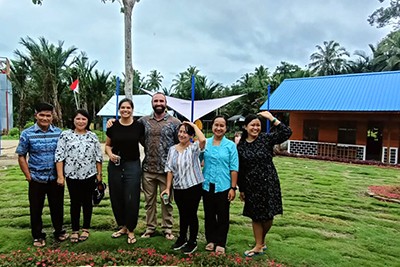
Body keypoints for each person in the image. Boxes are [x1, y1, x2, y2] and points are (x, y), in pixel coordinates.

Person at [237, 111, 292, 257]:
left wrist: (271, 118)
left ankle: (261, 241)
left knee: (268, 216)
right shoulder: (241, 146)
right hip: (251, 185)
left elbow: (287, 132)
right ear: (245, 127)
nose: (255, 128)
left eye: (258, 125)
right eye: (252, 125)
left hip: (269, 182)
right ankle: (258, 245)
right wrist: (241, 189)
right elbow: (240, 169)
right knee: (255, 216)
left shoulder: (265, 139)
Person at [15, 102, 69, 247]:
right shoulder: (27, 133)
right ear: (36, 116)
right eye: (42, 115)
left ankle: (59, 231)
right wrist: (28, 176)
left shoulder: (59, 133)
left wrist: (61, 175)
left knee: (57, 207)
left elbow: (63, 155)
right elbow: (21, 155)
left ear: (52, 117)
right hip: (36, 178)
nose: (45, 118)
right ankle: (38, 236)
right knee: (36, 208)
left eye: (48, 115)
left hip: (55, 178)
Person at [55, 109, 103, 243]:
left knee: (88, 202)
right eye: (78, 119)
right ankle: (75, 230)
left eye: (84, 119)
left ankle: (86, 229)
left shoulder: (92, 136)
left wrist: (99, 175)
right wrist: (60, 176)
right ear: (73, 120)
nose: (81, 121)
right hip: (72, 175)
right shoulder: (65, 136)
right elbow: (59, 156)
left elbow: (98, 157)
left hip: (89, 174)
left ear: (88, 121)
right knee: (74, 202)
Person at [138, 92, 180, 240]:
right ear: (152, 103)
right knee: (149, 202)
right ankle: (150, 228)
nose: (158, 103)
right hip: (148, 168)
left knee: (166, 201)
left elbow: (179, 143)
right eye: (156, 101)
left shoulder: (175, 122)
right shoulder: (143, 121)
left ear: (166, 103)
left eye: (161, 101)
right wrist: (112, 122)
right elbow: (136, 135)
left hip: (166, 170)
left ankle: (167, 228)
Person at [161, 121, 205, 254]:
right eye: (180, 131)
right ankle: (182, 238)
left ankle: (192, 241)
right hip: (178, 187)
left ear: (191, 135)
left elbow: (202, 140)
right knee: (182, 214)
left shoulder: (194, 148)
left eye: (185, 132)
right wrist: (168, 188)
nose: (182, 134)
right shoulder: (172, 149)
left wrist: (193, 125)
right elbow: (170, 169)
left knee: (191, 214)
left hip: (193, 185)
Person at [106, 98, 145, 244]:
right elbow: (108, 145)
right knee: (116, 196)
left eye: (128, 108)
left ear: (132, 109)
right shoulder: (113, 126)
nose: (125, 110)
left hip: (133, 165)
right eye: (122, 108)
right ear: (119, 110)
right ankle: (122, 226)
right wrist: (110, 155)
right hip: (115, 165)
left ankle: (131, 229)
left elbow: (145, 142)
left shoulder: (139, 126)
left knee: (131, 197)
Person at [202, 115, 239, 254]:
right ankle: (210, 240)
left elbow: (234, 168)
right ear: (212, 126)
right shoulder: (205, 143)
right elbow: (196, 158)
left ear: (226, 128)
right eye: (216, 125)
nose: (218, 128)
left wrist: (233, 188)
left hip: (224, 186)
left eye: (221, 125)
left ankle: (221, 242)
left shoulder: (230, 146)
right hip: (207, 185)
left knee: (223, 215)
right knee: (209, 214)